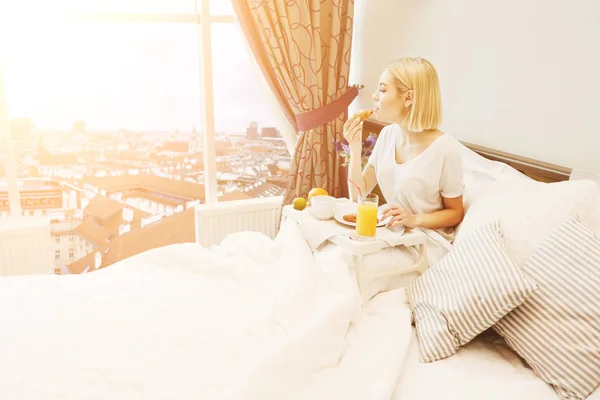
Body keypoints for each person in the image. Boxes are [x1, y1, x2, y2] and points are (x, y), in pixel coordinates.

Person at [343, 57, 465, 267]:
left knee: (350, 265)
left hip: (424, 243)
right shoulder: (388, 135)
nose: (374, 96)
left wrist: (415, 219)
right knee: (334, 255)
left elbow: (456, 213)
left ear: (408, 97)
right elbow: (358, 195)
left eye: (382, 90)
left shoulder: (446, 148)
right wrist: (355, 148)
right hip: (391, 233)